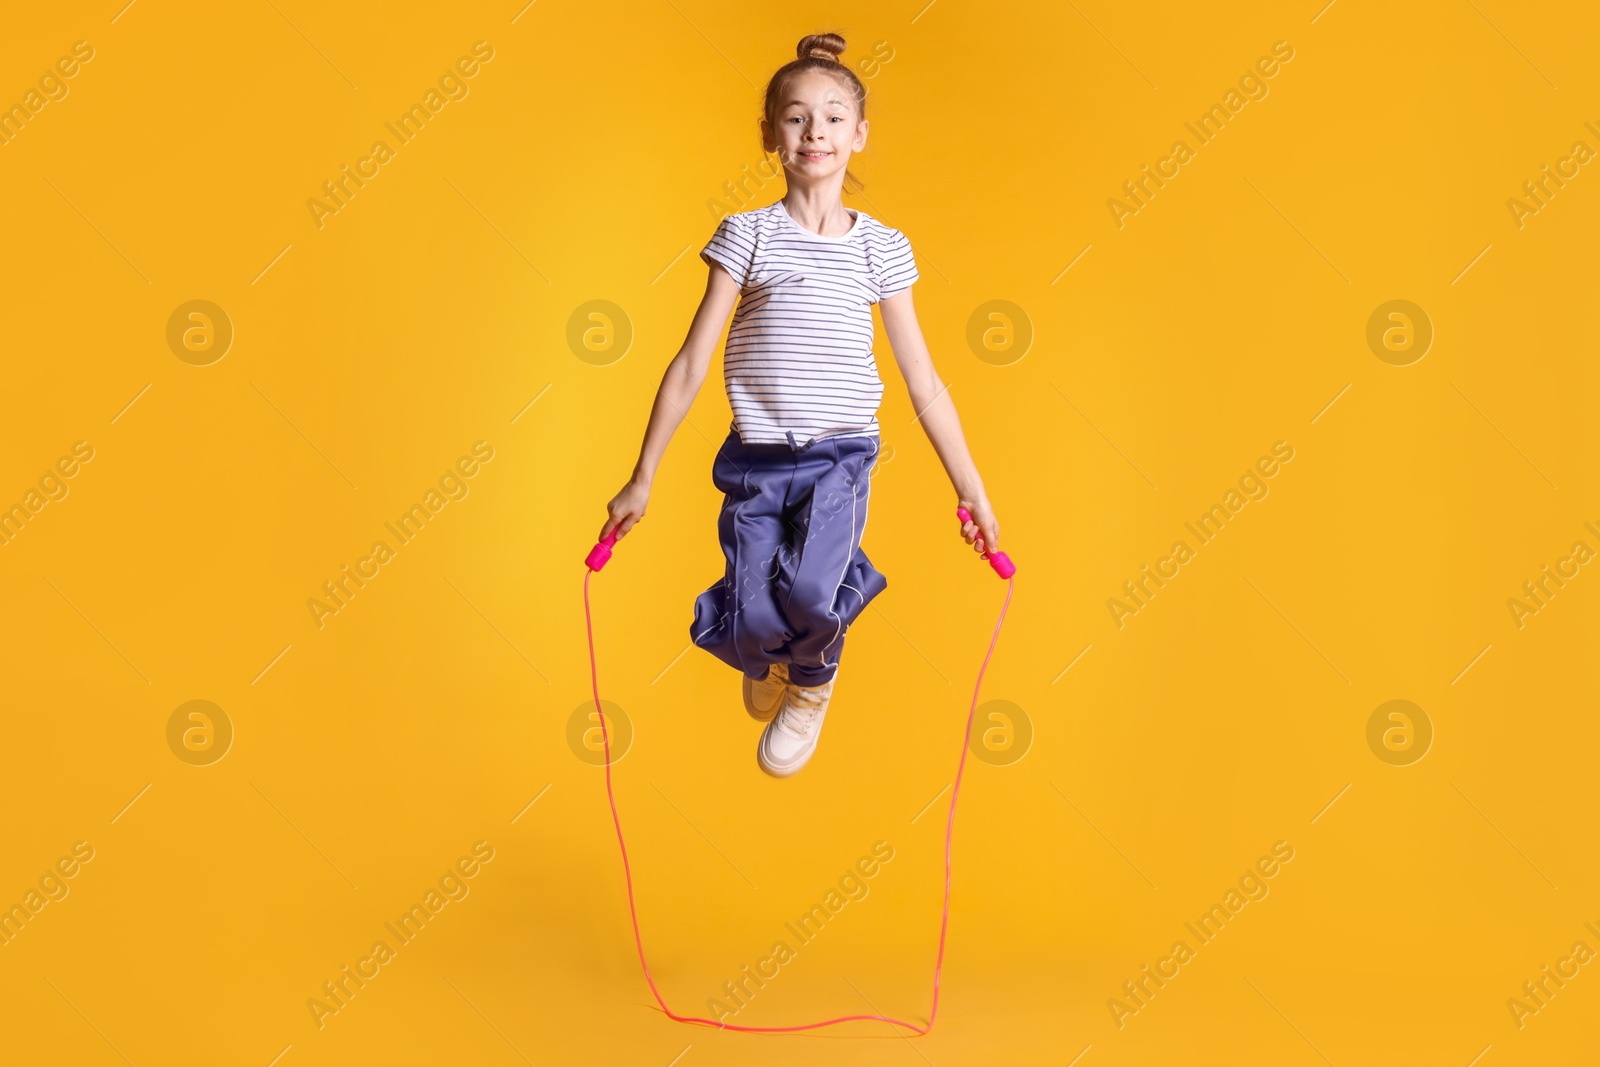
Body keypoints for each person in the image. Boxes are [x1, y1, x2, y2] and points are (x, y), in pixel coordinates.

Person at [599, 32, 1001, 777]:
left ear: (859, 135)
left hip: (840, 454)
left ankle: (812, 680)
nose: (814, 131)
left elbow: (924, 380)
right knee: (751, 616)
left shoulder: (881, 248)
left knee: (814, 592)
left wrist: (971, 488)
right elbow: (689, 364)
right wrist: (642, 474)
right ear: (769, 136)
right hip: (755, 457)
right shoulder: (746, 237)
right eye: (795, 117)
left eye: (833, 116)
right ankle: (771, 653)